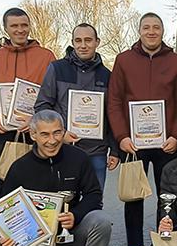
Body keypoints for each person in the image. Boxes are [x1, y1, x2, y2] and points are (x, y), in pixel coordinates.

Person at [0, 110, 117, 246]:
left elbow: (94, 195)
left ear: (63, 131)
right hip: (38, 237)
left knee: (101, 220)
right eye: (44, 134)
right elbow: (5, 208)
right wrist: (6, 235)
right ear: (33, 135)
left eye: (57, 132)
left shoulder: (79, 158)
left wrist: (75, 215)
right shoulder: (20, 167)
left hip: (72, 231)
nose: (52, 140)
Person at [106, 12, 177, 246]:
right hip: (134, 144)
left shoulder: (176, 62)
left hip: (167, 143)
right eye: (146, 27)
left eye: (156, 27)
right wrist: (121, 137)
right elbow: (114, 101)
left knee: (169, 197)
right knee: (133, 197)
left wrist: (176, 136)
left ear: (162, 31)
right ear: (140, 31)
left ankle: (164, 245)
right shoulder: (123, 60)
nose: (151, 32)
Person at [0, 8, 56, 199]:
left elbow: (53, 94)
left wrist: (38, 118)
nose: (20, 30)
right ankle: (4, 230)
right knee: (4, 187)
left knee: (38, 187)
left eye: (24, 25)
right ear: (6, 28)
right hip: (2, 133)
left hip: (36, 132)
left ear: (30, 26)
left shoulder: (46, 56)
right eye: (14, 26)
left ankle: (40, 229)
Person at [34, 23, 119, 190]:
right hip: (62, 147)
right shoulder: (57, 69)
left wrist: (114, 151)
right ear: (73, 43)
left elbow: (112, 114)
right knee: (62, 203)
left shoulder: (107, 76)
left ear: (97, 42)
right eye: (78, 40)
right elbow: (43, 106)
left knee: (93, 202)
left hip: (97, 152)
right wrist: (60, 134)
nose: (83, 45)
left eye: (88, 40)